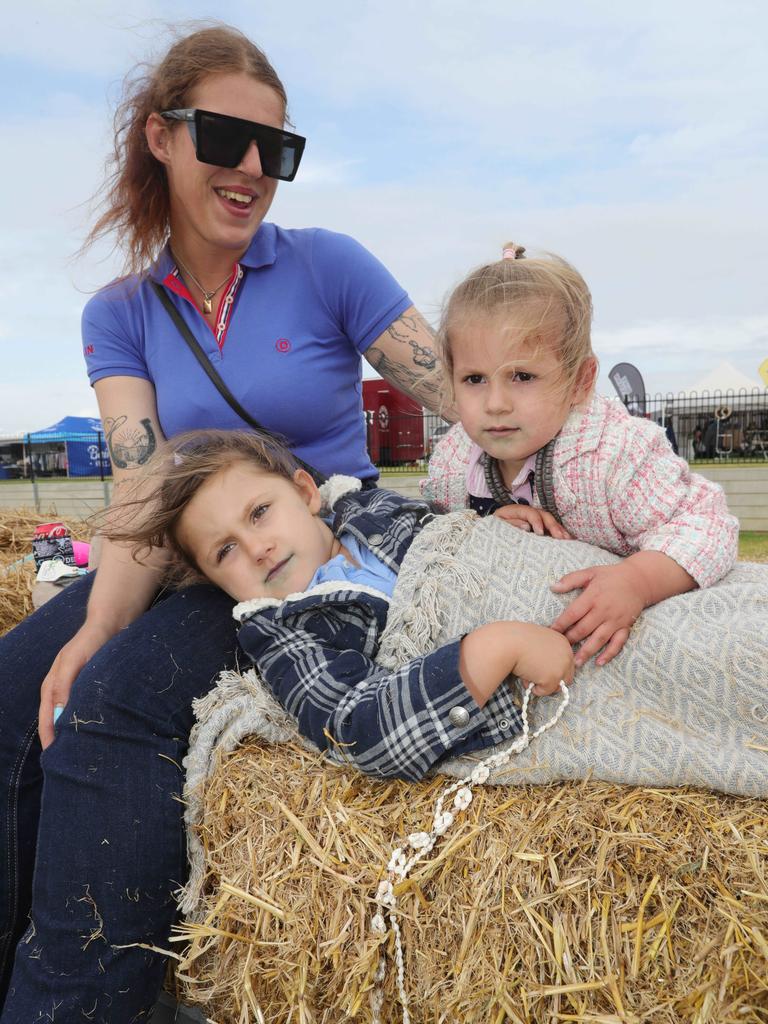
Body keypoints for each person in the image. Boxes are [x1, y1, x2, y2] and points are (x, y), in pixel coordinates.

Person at [0, 24, 443, 1023]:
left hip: (298, 558)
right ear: (160, 136)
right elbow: (140, 488)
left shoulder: (330, 265)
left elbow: (461, 396)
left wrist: (553, 485)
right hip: (177, 555)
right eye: (223, 139)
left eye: (274, 150)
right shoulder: (120, 311)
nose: (251, 170)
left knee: (111, 706)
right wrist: (95, 624)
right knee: (15, 693)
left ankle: (71, 1003)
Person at [107, 429, 574, 782]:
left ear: (307, 493)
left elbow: (442, 530)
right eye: (224, 551)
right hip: (530, 692)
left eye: (259, 512)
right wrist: (494, 650)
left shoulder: (371, 510)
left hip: (563, 592)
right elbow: (354, 730)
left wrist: (487, 522)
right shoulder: (283, 637)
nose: (257, 548)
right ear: (214, 582)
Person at [422, 243, 739, 668]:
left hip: (626, 632)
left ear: (581, 381)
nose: (495, 403)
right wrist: (482, 529)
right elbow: (432, 537)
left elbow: (708, 526)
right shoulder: (455, 461)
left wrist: (637, 581)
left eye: (522, 376)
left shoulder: (614, 454)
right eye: (474, 378)